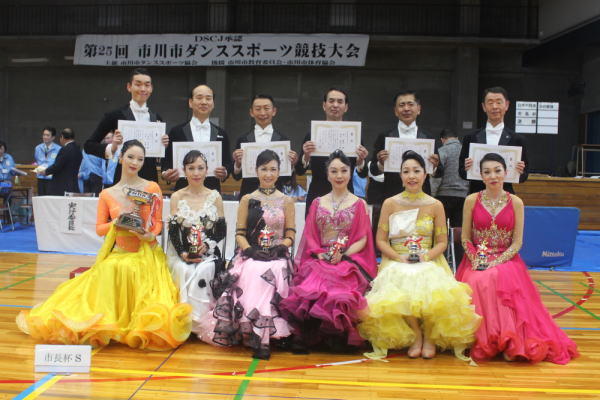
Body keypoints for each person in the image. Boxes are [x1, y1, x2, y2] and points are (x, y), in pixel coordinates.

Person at [17, 140, 191, 349]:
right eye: (130, 157)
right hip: (120, 252)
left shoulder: (152, 188)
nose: (135, 162)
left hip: (147, 253)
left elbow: (158, 224)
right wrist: (116, 222)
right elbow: (100, 229)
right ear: (121, 158)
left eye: (140, 159)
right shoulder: (107, 194)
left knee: (132, 270)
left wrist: (149, 235)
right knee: (109, 270)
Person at [456, 153, 578, 364]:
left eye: (497, 171)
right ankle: (486, 340)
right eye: (487, 172)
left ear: (506, 173)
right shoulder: (471, 200)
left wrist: (495, 262)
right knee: (478, 279)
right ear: (481, 175)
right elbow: (466, 238)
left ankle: (509, 341)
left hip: (506, 258)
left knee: (497, 276)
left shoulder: (516, 202)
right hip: (476, 258)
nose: (493, 176)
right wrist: (476, 259)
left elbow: (517, 242)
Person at [358, 151, 480, 360]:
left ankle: (430, 336)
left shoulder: (435, 205)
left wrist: (426, 256)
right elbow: (381, 240)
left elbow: (442, 242)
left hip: (428, 258)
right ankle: (416, 334)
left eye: (416, 171)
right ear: (400, 176)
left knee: (430, 283)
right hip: (397, 258)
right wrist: (399, 257)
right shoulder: (390, 203)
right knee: (402, 278)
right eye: (406, 171)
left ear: (426, 174)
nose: (411, 176)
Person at [199, 150, 295, 360]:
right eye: (264, 169)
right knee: (252, 270)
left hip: (278, 256)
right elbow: (240, 233)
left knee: (275, 270)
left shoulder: (287, 200)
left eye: (273, 169)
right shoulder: (247, 199)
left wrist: (280, 248)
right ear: (256, 171)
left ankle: (265, 338)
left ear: (279, 172)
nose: (268, 174)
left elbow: (290, 234)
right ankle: (256, 334)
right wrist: (250, 250)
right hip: (251, 254)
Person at [280, 150, 377, 353]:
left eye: (343, 170)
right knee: (315, 281)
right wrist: (320, 254)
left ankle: (336, 334)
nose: (339, 175)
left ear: (350, 173)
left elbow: (362, 238)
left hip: (348, 258)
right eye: (334, 171)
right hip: (320, 256)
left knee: (339, 284)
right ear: (327, 175)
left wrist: (343, 254)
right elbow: (310, 235)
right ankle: (312, 334)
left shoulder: (359, 204)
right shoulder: (317, 202)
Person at [167, 150, 226, 337]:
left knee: (203, 270)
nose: (196, 173)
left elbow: (221, 230)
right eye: (191, 168)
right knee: (182, 269)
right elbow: (173, 231)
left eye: (200, 168)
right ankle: (184, 321)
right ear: (184, 170)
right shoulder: (177, 197)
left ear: (207, 170)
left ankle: (200, 323)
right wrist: (183, 253)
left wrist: (207, 245)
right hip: (182, 252)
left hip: (209, 252)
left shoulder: (215, 196)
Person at [84, 68, 169, 185]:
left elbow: (158, 155)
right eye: (138, 84)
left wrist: (162, 145)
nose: (143, 89)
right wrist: (112, 148)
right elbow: (89, 145)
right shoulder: (115, 115)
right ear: (129, 87)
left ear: (151, 89)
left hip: (149, 178)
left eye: (147, 85)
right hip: (123, 178)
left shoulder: (157, 118)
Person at [295, 88, 369, 214]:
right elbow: (299, 170)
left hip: (346, 197)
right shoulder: (312, 134)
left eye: (340, 102)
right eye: (331, 101)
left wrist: (361, 161)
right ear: (324, 105)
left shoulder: (354, 134)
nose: (335, 105)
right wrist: (306, 156)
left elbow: (363, 174)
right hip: (317, 195)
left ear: (346, 107)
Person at [367, 90, 441, 205]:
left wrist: (435, 166)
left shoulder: (429, 137)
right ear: (396, 111)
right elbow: (373, 170)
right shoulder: (385, 136)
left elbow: (440, 172)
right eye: (401, 105)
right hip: (392, 196)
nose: (406, 108)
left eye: (410, 104)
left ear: (419, 109)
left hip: (421, 197)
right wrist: (381, 164)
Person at [162, 84, 232, 192]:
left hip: (212, 191)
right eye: (199, 98)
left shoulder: (222, 133)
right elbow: (166, 164)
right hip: (183, 191)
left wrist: (225, 172)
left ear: (213, 104)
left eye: (208, 98)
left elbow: (228, 163)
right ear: (190, 102)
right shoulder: (176, 132)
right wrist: (166, 174)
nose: (204, 102)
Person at [459, 86, 528, 194]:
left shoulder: (517, 139)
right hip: (477, 195)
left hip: (505, 196)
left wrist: (520, 171)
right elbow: (461, 172)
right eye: (490, 103)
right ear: (484, 107)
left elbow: (524, 176)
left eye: (499, 102)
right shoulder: (471, 137)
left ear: (507, 105)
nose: (494, 106)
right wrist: (467, 168)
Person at [232, 94, 298, 198]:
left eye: (266, 108)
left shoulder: (283, 140)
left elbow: (286, 179)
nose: (262, 113)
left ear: (274, 111)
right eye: (258, 109)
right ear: (251, 112)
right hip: (249, 195)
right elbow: (236, 177)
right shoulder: (243, 139)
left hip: (275, 196)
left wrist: (291, 165)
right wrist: (238, 163)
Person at [436, 128, 469, 227]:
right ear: (457, 138)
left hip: (443, 194)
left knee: (441, 227)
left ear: (442, 139)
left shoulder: (441, 151)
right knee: (458, 228)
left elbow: (437, 175)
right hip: (463, 195)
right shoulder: (466, 151)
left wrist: (433, 193)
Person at [42, 128, 83, 196]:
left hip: (62, 186)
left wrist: (46, 171)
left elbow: (57, 166)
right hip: (74, 184)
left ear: (62, 137)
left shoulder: (65, 149)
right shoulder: (78, 149)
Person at [33, 127, 61, 196]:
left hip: (52, 178)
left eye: (47, 135)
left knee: (50, 199)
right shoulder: (38, 148)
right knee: (41, 198)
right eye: (44, 135)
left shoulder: (59, 149)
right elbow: (37, 160)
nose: (45, 137)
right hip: (40, 177)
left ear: (53, 137)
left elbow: (58, 164)